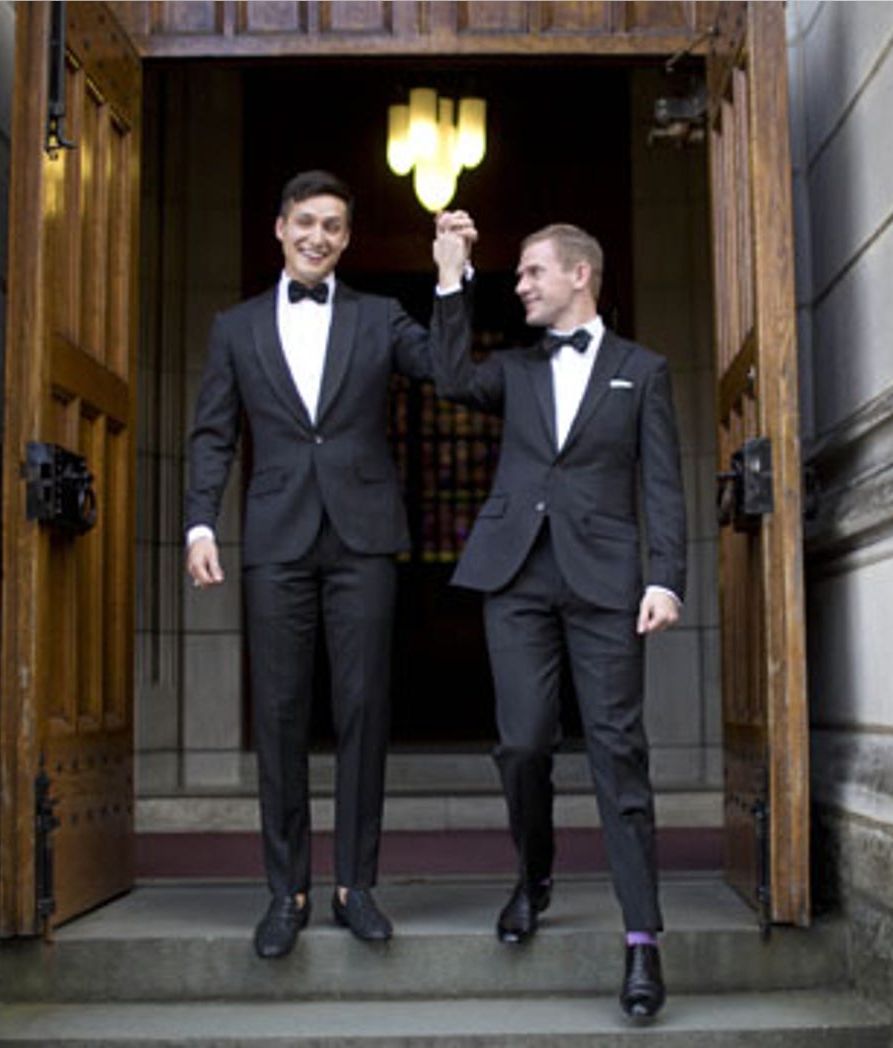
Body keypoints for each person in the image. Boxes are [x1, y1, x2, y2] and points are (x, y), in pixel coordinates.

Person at [428, 215, 686, 1020]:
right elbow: (447, 377)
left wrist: (665, 578)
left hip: (607, 583)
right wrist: (449, 275)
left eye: (534, 272)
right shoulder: (515, 368)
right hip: (517, 578)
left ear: (580, 275)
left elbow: (663, 487)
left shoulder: (642, 371)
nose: (522, 284)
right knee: (523, 741)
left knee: (618, 754)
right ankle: (533, 875)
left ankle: (642, 941)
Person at [185, 170, 438, 959]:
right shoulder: (235, 328)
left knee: (364, 713)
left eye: (332, 225)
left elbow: (444, 368)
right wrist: (200, 524)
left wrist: (454, 279)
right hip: (277, 541)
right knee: (283, 717)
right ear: (279, 227)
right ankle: (285, 891)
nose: (318, 236)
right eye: (305, 222)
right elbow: (212, 434)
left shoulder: (379, 316)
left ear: (347, 238)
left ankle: (355, 886)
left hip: (362, 538)